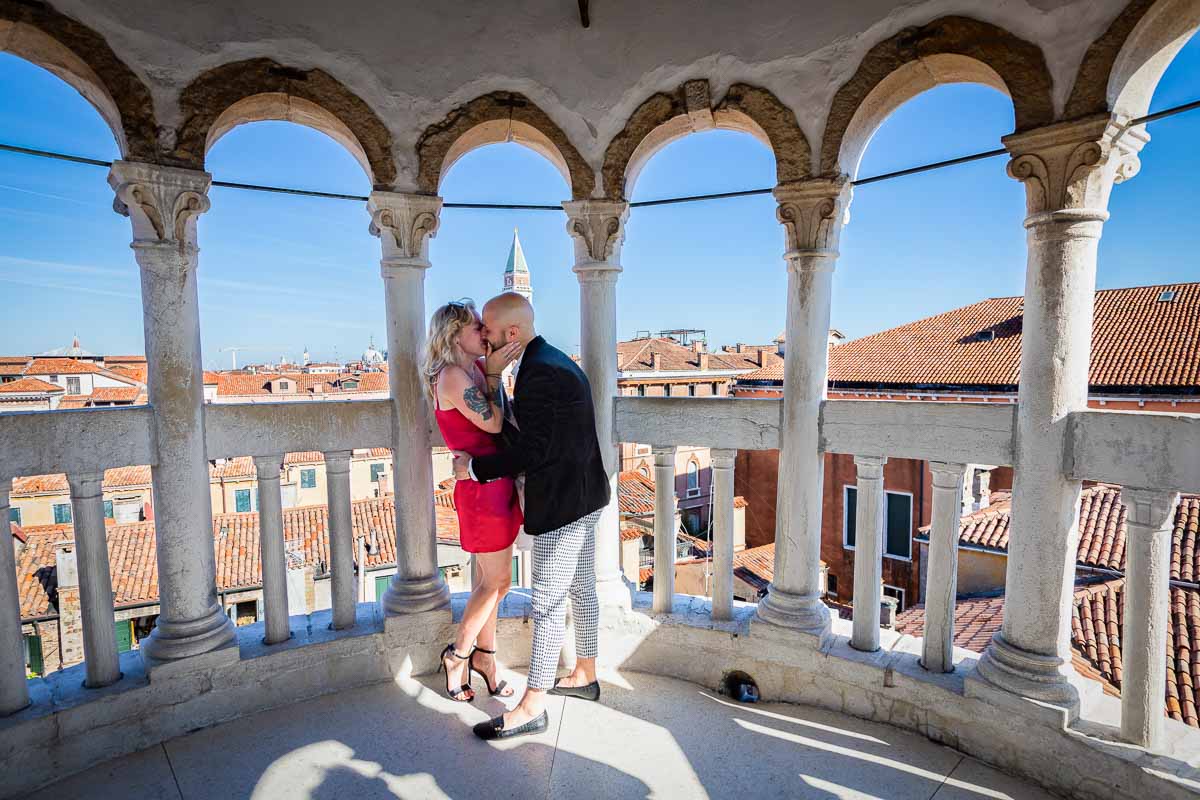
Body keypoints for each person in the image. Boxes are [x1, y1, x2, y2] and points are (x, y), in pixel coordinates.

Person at [451, 292, 610, 741]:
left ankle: (532, 704)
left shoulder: (540, 373)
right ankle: (585, 673)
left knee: (548, 601)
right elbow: (535, 431)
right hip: (585, 495)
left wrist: (474, 469)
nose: (484, 336)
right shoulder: (553, 360)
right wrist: (498, 377)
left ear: (512, 334)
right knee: (581, 589)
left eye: (490, 330)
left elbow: (529, 448)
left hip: (563, 504)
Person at [425, 298, 524, 703]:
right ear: (454, 336)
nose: (484, 333)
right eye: (476, 328)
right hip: (481, 489)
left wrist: (494, 371)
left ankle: (486, 658)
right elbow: (495, 421)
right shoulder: (450, 376)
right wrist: (498, 372)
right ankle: (458, 654)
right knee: (499, 581)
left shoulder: (475, 368)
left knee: (491, 582)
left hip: (492, 480)